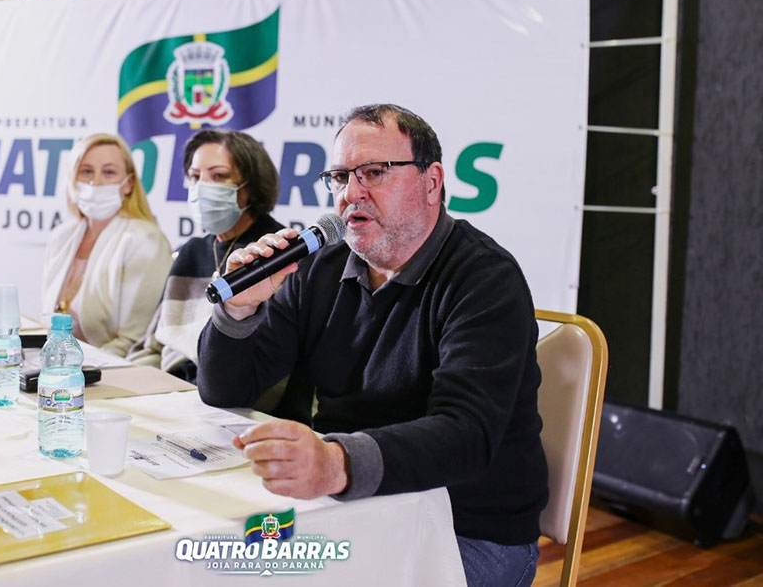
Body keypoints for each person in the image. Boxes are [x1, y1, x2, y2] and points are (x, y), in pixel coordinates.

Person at [197, 104, 547, 587]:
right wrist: (239, 310)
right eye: (340, 177)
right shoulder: (319, 268)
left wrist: (336, 463)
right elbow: (224, 391)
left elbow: (466, 434)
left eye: (375, 172)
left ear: (432, 182)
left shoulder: (485, 278)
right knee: (216, 569)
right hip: (354, 508)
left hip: (466, 529)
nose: (351, 193)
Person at [128, 129, 312, 420]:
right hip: (170, 399)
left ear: (252, 186)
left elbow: (272, 375)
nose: (202, 187)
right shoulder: (191, 251)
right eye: (195, 176)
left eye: (219, 176)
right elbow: (152, 345)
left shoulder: (277, 254)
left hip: (239, 411)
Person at [42, 133, 172, 356]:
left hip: (114, 370)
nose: (95, 182)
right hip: (62, 368)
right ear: (72, 180)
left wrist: (79, 366)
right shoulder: (62, 237)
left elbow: (134, 341)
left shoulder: (144, 240)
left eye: (109, 172)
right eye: (86, 171)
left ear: (128, 184)